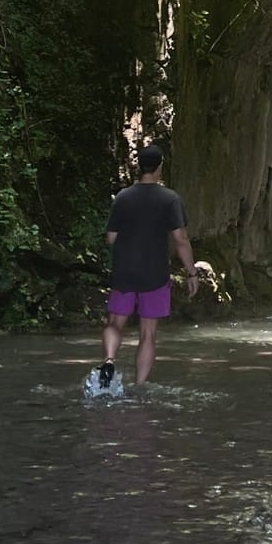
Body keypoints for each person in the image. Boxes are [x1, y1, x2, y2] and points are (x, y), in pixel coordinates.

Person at [99, 142, 199, 388]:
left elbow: (111, 238)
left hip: (124, 270)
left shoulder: (123, 197)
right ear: (159, 168)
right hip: (154, 273)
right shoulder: (170, 199)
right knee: (148, 333)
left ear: (139, 167)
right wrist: (191, 271)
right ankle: (140, 385)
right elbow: (180, 239)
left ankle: (109, 360)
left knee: (114, 323)